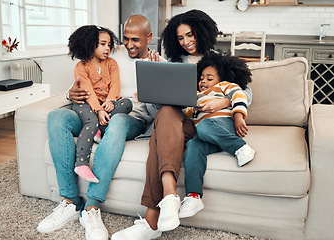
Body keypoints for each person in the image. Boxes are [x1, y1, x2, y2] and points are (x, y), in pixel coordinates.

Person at [112, 9, 251, 240]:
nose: (186, 42)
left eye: (190, 35)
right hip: (182, 121)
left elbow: (245, 92)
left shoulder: (219, 61)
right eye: (180, 37)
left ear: (202, 32)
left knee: (159, 137)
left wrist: (223, 101)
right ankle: (169, 197)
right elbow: (155, 112)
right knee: (165, 114)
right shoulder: (174, 62)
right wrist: (153, 91)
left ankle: (151, 220)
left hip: (210, 123)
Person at [37, 15, 165, 240]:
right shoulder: (110, 53)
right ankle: (70, 202)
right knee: (57, 117)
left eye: (135, 40)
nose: (128, 45)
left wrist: (154, 84)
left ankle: (92, 208)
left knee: (117, 120)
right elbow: (87, 77)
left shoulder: (158, 62)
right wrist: (70, 93)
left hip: (129, 117)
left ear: (149, 38)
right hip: (94, 115)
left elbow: (160, 113)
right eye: (125, 39)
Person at [179, 52, 255, 218]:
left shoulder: (224, 87)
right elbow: (186, 113)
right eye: (201, 78)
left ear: (220, 79)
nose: (204, 81)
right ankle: (193, 195)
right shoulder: (196, 97)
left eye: (209, 78)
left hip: (225, 126)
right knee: (192, 146)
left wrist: (238, 116)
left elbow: (239, 96)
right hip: (206, 135)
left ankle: (240, 147)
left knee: (204, 126)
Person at [67, 25, 132, 183]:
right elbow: (87, 89)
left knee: (127, 103)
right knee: (91, 121)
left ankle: (99, 129)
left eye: (109, 44)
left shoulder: (111, 64)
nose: (107, 48)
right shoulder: (81, 67)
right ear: (90, 44)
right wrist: (98, 110)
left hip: (106, 103)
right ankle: (81, 164)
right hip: (86, 103)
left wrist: (110, 100)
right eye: (103, 44)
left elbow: (115, 84)